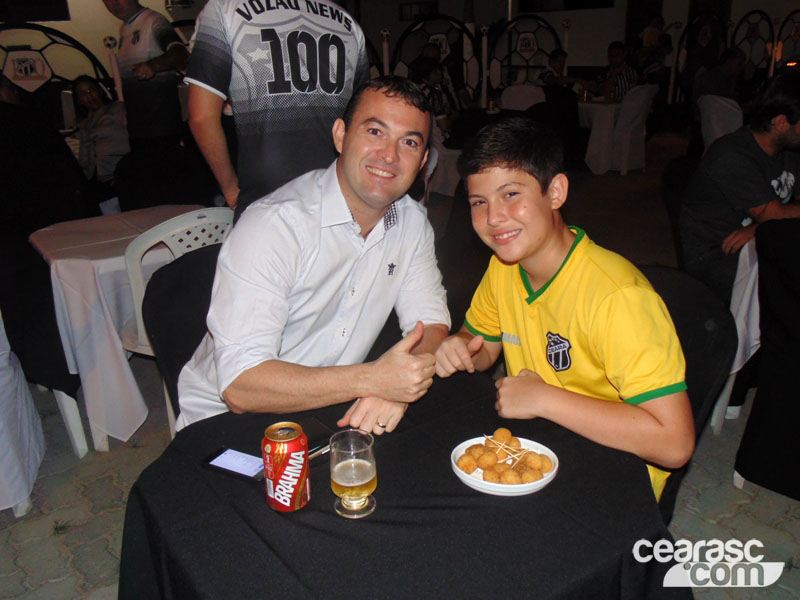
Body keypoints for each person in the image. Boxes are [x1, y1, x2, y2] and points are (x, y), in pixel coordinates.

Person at [434, 118, 694, 499]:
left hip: (618, 471)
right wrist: (460, 346)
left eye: (510, 195)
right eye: (479, 202)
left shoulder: (618, 298)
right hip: (543, 445)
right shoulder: (505, 267)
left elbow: (675, 444)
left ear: (555, 191)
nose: (493, 218)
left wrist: (544, 398)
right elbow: (484, 348)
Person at [176, 77, 451, 435]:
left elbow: (430, 324)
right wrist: (374, 380)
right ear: (340, 135)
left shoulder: (412, 224)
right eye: (374, 132)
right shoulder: (274, 226)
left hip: (327, 410)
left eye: (410, 142)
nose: (389, 155)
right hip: (227, 423)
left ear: (423, 161)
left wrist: (400, 384)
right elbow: (241, 387)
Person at [185, 0, 370, 220]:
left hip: (265, 197)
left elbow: (201, 117)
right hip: (336, 194)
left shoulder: (224, 10)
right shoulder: (347, 22)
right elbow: (364, 115)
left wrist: (231, 190)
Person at [680, 69, 800, 304]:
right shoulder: (731, 155)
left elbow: (781, 212)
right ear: (781, 123)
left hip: (762, 239)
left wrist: (760, 226)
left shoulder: (790, 151)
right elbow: (774, 214)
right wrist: (768, 221)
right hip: (720, 255)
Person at [102, 0, 188, 151]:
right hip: (139, 129)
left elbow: (180, 52)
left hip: (161, 127)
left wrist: (153, 66)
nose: (113, 4)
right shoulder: (124, 29)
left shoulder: (154, 21)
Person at [72, 75, 129, 203]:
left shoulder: (118, 110)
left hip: (119, 176)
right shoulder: (84, 125)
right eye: (83, 94)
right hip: (97, 181)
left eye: (91, 90)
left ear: (100, 91)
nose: (89, 96)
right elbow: (84, 157)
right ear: (79, 100)